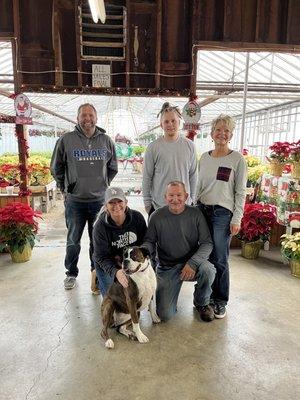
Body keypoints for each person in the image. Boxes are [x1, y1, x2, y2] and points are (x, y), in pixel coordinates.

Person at [50, 103, 118, 291]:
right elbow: (57, 168)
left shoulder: (106, 141)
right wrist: (66, 189)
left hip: (98, 202)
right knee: (73, 240)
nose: (87, 119)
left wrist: (102, 185)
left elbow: (113, 167)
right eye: (83, 115)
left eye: (90, 115)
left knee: (97, 240)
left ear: (96, 118)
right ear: (77, 118)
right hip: (75, 202)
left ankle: (95, 272)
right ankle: (71, 273)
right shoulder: (66, 140)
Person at [196, 114, 247, 319]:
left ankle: (220, 300)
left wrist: (237, 218)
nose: (222, 133)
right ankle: (205, 298)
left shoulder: (237, 159)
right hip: (202, 210)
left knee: (220, 258)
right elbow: (199, 186)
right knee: (205, 257)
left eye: (226, 130)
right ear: (211, 133)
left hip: (222, 214)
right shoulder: (205, 158)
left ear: (231, 134)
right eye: (218, 129)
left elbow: (241, 191)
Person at [143, 181, 216, 322]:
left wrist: (193, 263)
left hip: (192, 264)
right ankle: (169, 301)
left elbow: (207, 243)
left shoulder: (196, 214)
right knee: (164, 315)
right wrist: (144, 252)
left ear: (186, 196)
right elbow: (150, 242)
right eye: (171, 195)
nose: (175, 199)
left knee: (208, 270)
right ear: (165, 197)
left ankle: (202, 302)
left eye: (179, 195)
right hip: (167, 267)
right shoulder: (156, 216)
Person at [142, 102, 197, 215]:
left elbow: (193, 175)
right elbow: (147, 177)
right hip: (159, 206)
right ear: (161, 125)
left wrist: (192, 199)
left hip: (184, 205)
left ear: (179, 122)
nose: (170, 124)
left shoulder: (189, 146)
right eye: (166, 121)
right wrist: (147, 204)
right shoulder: (153, 147)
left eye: (173, 121)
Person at [93, 187, 147, 296]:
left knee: (139, 292)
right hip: (108, 262)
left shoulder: (137, 218)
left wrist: (140, 265)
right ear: (106, 206)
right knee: (115, 300)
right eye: (111, 202)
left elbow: (145, 244)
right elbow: (101, 257)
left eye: (119, 201)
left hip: (132, 260)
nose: (116, 206)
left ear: (126, 202)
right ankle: (98, 276)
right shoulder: (99, 226)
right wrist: (116, 272)